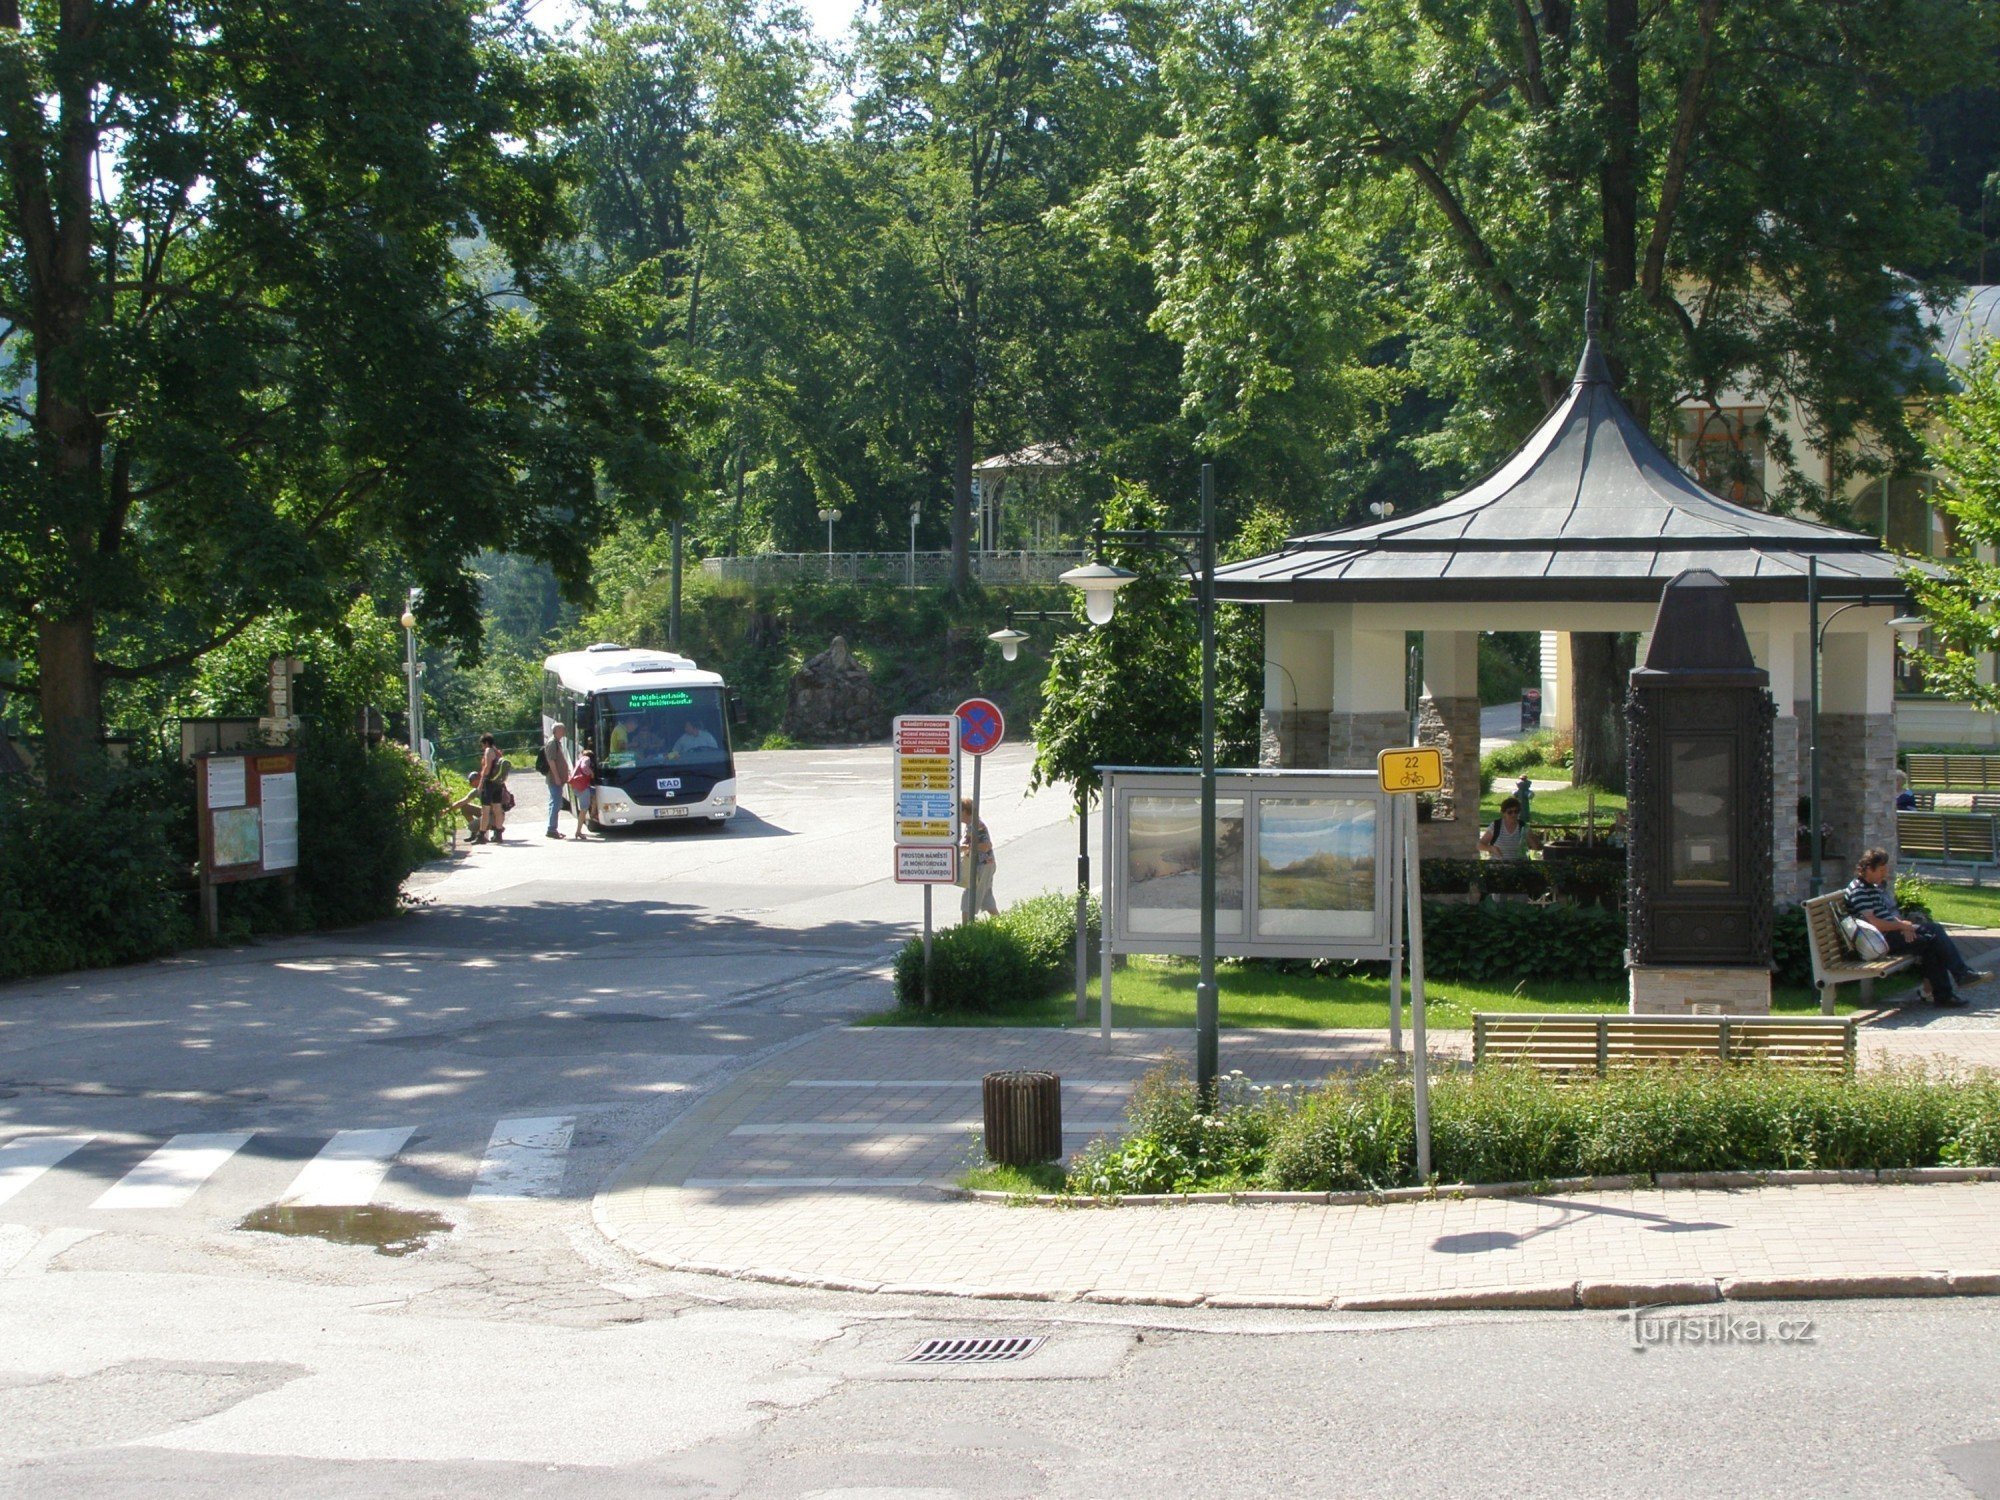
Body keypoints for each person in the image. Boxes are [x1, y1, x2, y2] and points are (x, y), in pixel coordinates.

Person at [1844, 848, 1991, 1007]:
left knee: (1934, 930)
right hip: (1881, 940)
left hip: (1890, 933)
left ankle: (1953, 984)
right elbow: (1874, 923)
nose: (1884, 874)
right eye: (1881, 870)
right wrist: (1901, 925)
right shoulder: (1859, 890)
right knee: (1931, 941)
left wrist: (1905, 926)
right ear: (1868, 869)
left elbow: (1884, 915)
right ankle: (1953, 984)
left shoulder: (1870, 887)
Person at [958, 795, 998, 918]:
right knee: (986, 898)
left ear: (964, 811)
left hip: (982, 865)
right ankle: (1000, 923)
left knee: (969, 897)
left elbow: (987, 845)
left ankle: (966, 931)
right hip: (983, 865)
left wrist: (968, 847)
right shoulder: (971, 825)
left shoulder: (977, 825)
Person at [1479, 797, 1540, 861]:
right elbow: (1480, 845)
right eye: (1510, 812)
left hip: (1520, 865)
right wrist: (1491, 848)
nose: (1513, 814)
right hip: (1499, 865)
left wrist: (1533, 841)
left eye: (1516, 811)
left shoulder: (1523, 826)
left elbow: (1537, 847)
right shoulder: (1496, 825)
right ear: (1503, 813)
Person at [474, 733, 509, 844]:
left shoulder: (488, 751)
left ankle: (481, 836)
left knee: (485, 810)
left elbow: (487, 768)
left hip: (489, 783)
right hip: (498, 784)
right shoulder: (497, 752)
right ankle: (498, 834)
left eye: (482, 744)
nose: (482, 747)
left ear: (486, 742)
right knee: (497, 809)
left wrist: (480, 783)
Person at [540, 722, 572, 839]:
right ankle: (552, 829)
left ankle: (552, 828)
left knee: (555, 803)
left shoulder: (556, 742)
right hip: (554, 780)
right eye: (562, 729)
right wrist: (557, 777)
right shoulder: (552, 743)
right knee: (556, 803)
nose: (564, 731)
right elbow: (551, 761)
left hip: (557, 779)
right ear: (556, 731)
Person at [568, 747, 595, 839]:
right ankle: (578, 831)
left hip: (577, 785)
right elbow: (584, 768)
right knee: (584, 809)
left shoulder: (579, 759)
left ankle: (593, 815)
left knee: (595, 795)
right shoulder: (586, 759)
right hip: (582, 787)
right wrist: (591, 773)